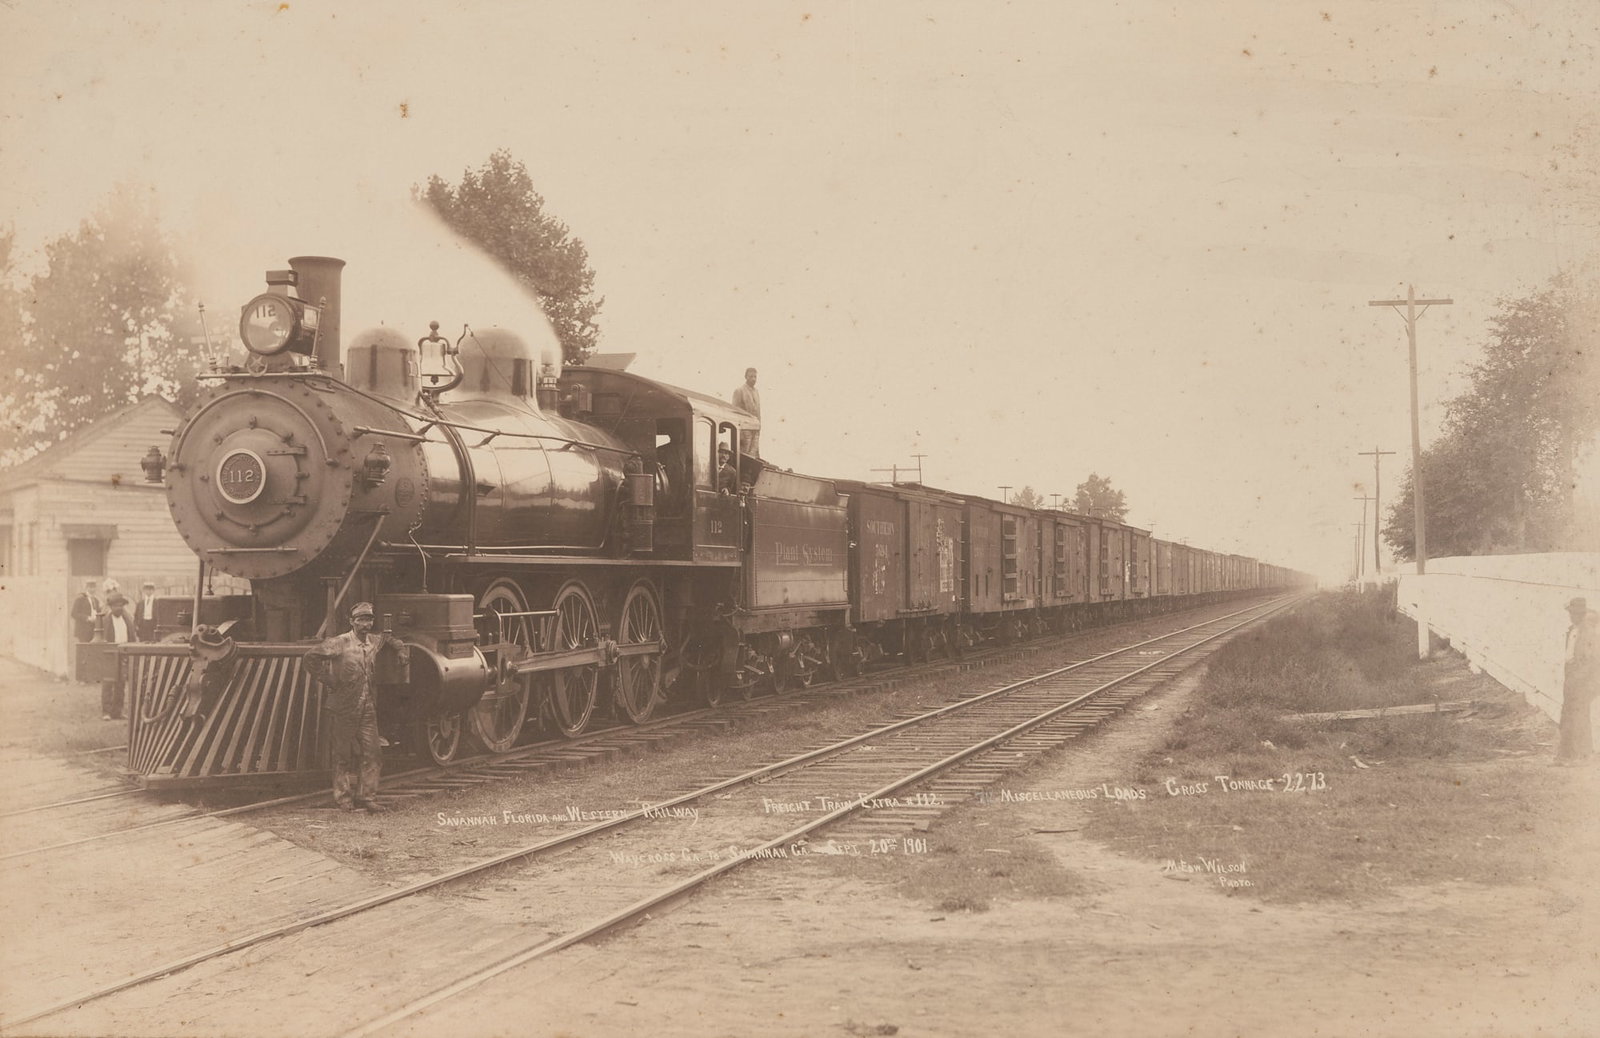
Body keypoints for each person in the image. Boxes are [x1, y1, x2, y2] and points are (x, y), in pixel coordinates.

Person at [302, 602, 400, 812]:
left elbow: (388, 638)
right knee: (342, 755)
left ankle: (367, 797)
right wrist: (328, 679)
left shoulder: (373, 641)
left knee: (373, 753)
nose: (366, 624)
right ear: (351, 622)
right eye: (361, 620)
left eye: (369, 620)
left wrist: (400, 649)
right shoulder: (339, 642)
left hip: (367, 707)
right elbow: (310, 657)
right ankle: (344, 799)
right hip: (343, 706)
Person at [1557, 597, 1598, 765]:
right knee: (1567, 715)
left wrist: (1579, 679)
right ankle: (1565, 755)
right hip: (1571, 677)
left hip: (1582, 681)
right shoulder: (1572, 630)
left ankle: (1583, 755)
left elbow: (1591, 662)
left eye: (1575, 614)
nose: (1572, 616)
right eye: (1571, 613)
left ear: (1582, 614)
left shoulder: (1589, 633)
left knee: (1580, 717)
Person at [98, 594, 134, 719]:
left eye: (121, 606)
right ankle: (106, 712)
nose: (119, 608)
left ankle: (117, 711)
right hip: (110, 653)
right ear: (111, 607)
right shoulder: (105, 621)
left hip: (123, 653)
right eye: (116, 606)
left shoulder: (127, 619)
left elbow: (132, 636)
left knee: (121, 684)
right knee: (108, 683)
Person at [732, 367, 760, 457]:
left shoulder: (756, 392)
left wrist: (759, 427)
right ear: (746, 377)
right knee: (744, 455)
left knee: (753, 455)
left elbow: (758, 411)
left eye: (755, 377)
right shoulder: (739, 391)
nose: (753, 379)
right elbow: (735, 410)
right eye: (751, 376)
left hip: (755, 429)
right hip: (744, 429)